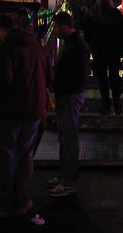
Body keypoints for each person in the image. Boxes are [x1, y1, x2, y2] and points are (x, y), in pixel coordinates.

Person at [0, 13, 51, 218]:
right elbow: (50, 77)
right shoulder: (37, 45)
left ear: (0, 29)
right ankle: (22, 200)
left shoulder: (6, 46)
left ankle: (4, 203)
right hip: (34, 109)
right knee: (26, 154)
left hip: (11, 109)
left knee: (7, 154)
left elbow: (2, 79)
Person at [48, 12, 91, 197]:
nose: (55, 31)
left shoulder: (76, 46)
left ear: (65, 26)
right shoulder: (74, 44)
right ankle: (64, 175)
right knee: (65, 136)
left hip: (69, 94)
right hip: (67, 93)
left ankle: (68, 179)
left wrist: (58, 85)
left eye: (56, 27)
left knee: (68, 137)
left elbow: (78, 74)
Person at [90, 0, 123, 114]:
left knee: (102, 78)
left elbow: (90, 32)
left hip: (99, 50)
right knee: (114, 77)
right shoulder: (115, 13)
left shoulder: (94, 14)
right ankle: (117, 103)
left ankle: (106, 104)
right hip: (113, 50)